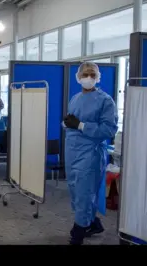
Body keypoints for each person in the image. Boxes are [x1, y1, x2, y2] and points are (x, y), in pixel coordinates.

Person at [63, 62, 118, 245]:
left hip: (90, 153)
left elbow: (109, 129)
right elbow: (72, 121)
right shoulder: (75, 98)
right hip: (72, 151)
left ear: (98, 77)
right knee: (75, 190)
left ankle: (78, 232)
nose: (88, 77)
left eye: (92, 74)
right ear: (78, 77)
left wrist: (81, 125)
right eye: (85, 74)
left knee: (84, 192)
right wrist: (68, 124)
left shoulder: (105, 101)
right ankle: (93, 223)